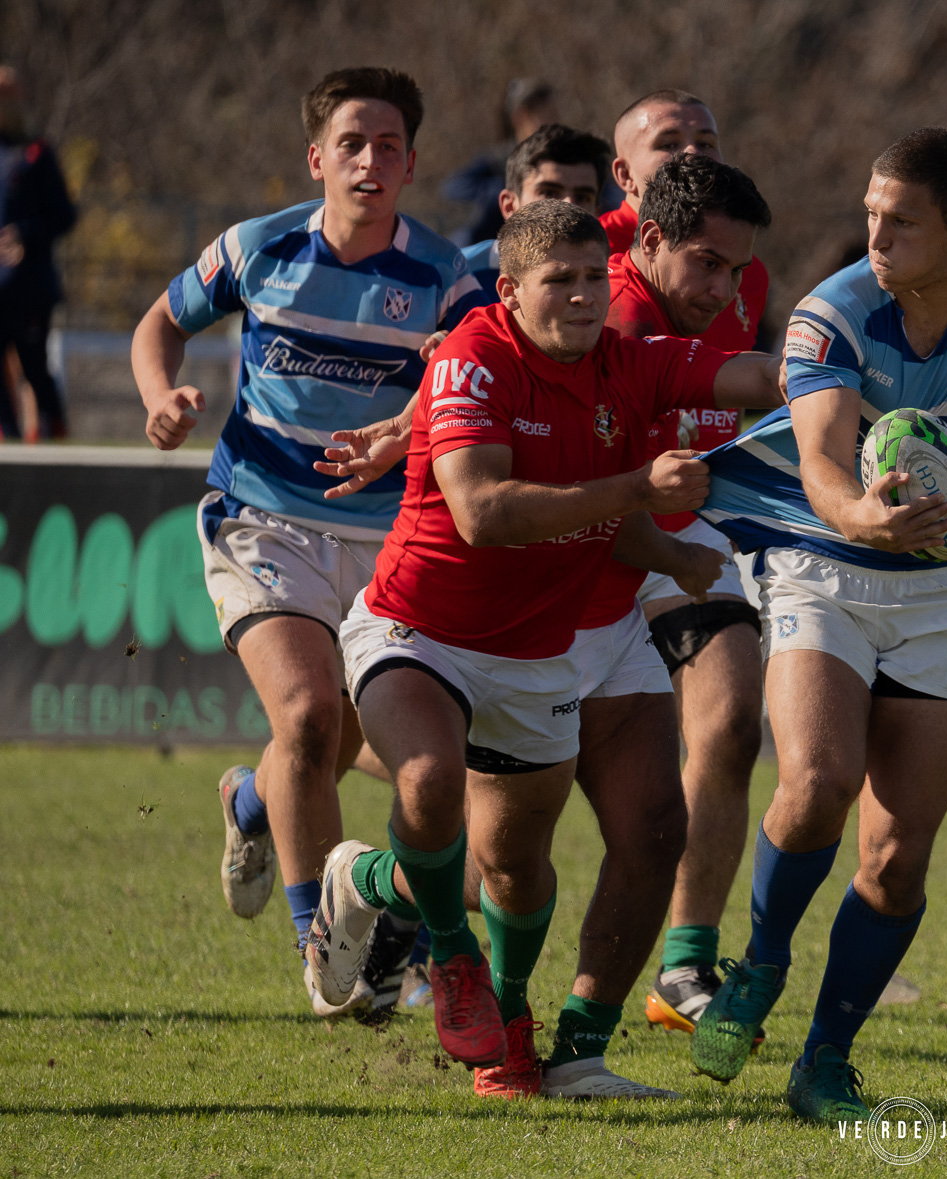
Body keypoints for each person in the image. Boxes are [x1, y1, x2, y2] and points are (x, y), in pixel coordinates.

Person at [306, 199, 783, 1097]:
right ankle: (452, 958)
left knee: (519, 868)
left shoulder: (629, 364)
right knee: (428, 783)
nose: (580, 297)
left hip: (538, 653)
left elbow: (756, 378)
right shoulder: (471, 357)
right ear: (511, 289)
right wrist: (642, 488)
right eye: (558, 282)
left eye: (591, 280)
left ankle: (525, 1029)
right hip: (420, 629)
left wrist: (849, 365)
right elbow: (485, 515)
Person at [692, 128, 947, 1122]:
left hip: (943, 585)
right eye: (870, 214)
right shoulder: (833, 311)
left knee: (898, 853)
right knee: (818, 782)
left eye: (901, 221)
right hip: (821, 559)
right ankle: (762, 962)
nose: (874, 235)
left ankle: (825, 1061)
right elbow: (826, 463)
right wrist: (866, 517)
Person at [129, 68, 488, 1017]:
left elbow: (456, 381)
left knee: (349, 736)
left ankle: (254, 805)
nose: (370, 161)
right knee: (310, 717)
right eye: (353, 143)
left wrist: (406, 429)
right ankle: (321, 948)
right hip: (262, 515)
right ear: (317, 156)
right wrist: (161, 396)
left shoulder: (441, 273)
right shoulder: (258, 247)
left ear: (411, 163)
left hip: (388, 537)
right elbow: (159, 323)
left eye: (389, 146)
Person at [588, 153, 774, 1040]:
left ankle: (686, 964)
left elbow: (754, 388)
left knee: (735, 719)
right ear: (649, 232)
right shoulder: (602, 309)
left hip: (681, 533)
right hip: (589, 537)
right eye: (707, 264)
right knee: (494, 813)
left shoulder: (731, 284)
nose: (723, 287)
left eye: (735, 270)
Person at [601, 89, 769, 353]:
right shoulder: (588, 253)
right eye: (668, 144)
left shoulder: (751, 273)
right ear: (624, 174)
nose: (692, 153)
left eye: (706, 143)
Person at [0, 66, 78, 440]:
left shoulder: (36, 154)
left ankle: (53, 435)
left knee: (34, 366)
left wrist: (25, 235)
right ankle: (9, 440)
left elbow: (64, 215)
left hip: (29, 286)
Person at [462, 124, 609, 298]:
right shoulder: (456, 274)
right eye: (549, 193)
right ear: (510, 206)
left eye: (583, 197)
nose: (568, 206)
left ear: (597, 213)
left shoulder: (611, 281)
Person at [441, 78, 566, 247]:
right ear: (521, 116)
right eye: (548, 114)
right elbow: (452, 189)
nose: (556, 121)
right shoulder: (497, 160)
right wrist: (514, 191)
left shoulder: (565, 162)